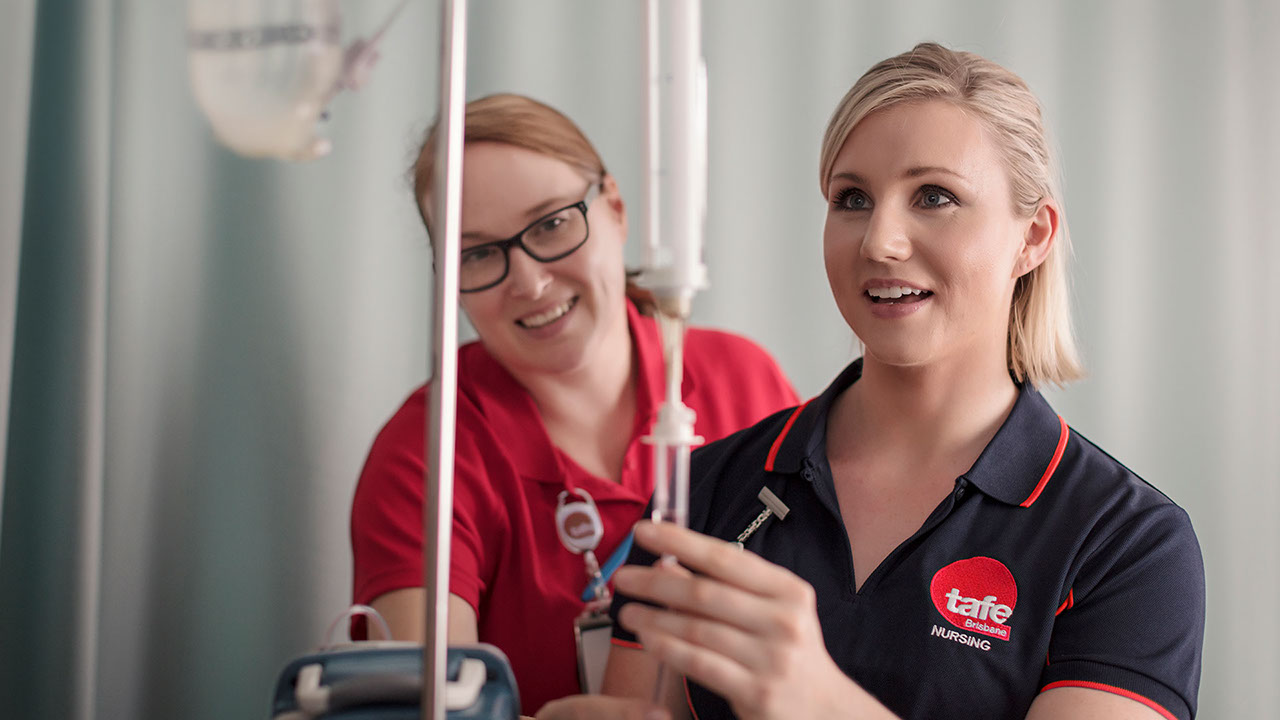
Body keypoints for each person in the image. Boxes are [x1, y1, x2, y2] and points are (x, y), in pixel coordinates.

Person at [551, 43, 1204, 720]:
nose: (879, 242)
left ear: (1032, 237)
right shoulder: (709, 488)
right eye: (852, 198)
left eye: (934, 196)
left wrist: (818, 701)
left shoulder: (1127, 543)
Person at [349, 93, 800, 715]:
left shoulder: (741, 382)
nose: (529, 282)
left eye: (551, 224)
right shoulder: (429, 452)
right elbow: (429, 705)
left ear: (614, 207)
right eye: (478, 252)